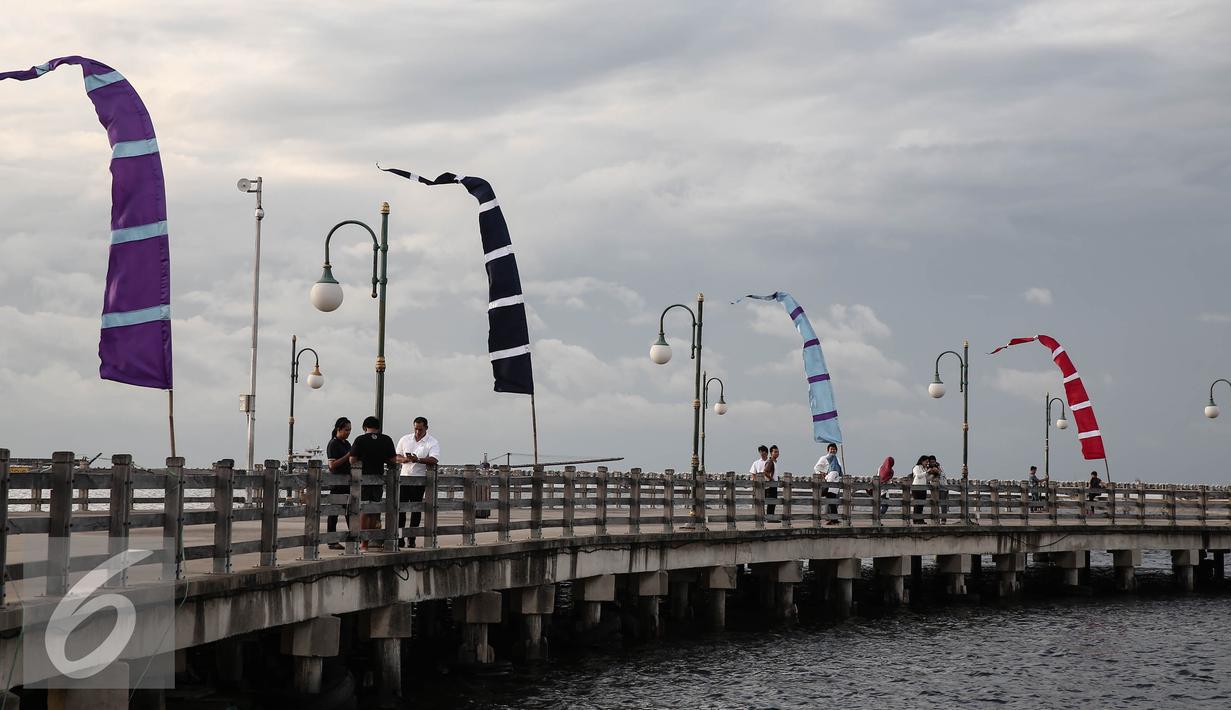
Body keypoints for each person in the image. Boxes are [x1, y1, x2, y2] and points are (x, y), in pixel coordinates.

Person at [346, 416, 398, 551]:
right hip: (379, 478)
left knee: (364, 510)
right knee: (375, 510)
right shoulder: (386, 439)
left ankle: (364, 543)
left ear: (364, 428)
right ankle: (372, 539)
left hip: (363, 478)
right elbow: (393, 460)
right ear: (378, 428)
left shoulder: (360, 439)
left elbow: (352, 460)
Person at [395, 416, 440, 548]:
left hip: (419, 480)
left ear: (426, 428)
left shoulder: (432, 441)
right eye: (415, 429)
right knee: (401, 509)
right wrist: (403, 459)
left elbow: (434, 459)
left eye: (420, 429)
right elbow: (396, 456)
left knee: (416, 510)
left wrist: (418, 460)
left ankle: (412, 538)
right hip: (404, 478)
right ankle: (400, 537)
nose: (417, 432)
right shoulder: (405, 439)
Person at [325, 417, 352, 550]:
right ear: (338, 429)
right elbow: (332, 465)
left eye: (350, 430)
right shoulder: (333, 444)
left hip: (347, 482)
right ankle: (331, 541)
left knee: (350, 511)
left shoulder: (346, 444)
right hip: (337, 483)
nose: (348, 432)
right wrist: (347, 456)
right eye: (346, 430)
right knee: (334, 512)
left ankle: (353, 538)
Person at [814, 443, 843, 525]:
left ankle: (834, 519)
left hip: (835, 483)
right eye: (831, 449)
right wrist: (821, 474)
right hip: (828, 481)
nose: (833, 450)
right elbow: (816, 467)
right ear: (828, 450)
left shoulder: (837, 459)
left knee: (832, 501)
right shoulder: (824, 458)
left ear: (836, 450)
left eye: (834, 449)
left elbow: (838, 471)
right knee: (824, 497)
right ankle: (830, 518)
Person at [911, 455, 929, 524]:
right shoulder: (916, 467)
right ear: (922, 461)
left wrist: (933, 474)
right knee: (917, 504)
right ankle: (915, 520)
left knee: (921, 504)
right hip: (916, 488)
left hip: (923, 488)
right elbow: (918, 476)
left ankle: (920, 519)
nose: (927, 463)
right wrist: (926, 472)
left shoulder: (924, 469)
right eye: (926, 461)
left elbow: (926, 478)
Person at [763, 445, 780, 517]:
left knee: (773, 502)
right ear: (771, 453)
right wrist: (772, 479)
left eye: (778, 452)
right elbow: (765, 472)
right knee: (771, 502)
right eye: (775, 452)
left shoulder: (774, 462)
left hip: (774, 485)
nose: (777, 453)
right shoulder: (770, 462)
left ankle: (771, 517)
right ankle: (770, 518)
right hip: (771, 485)